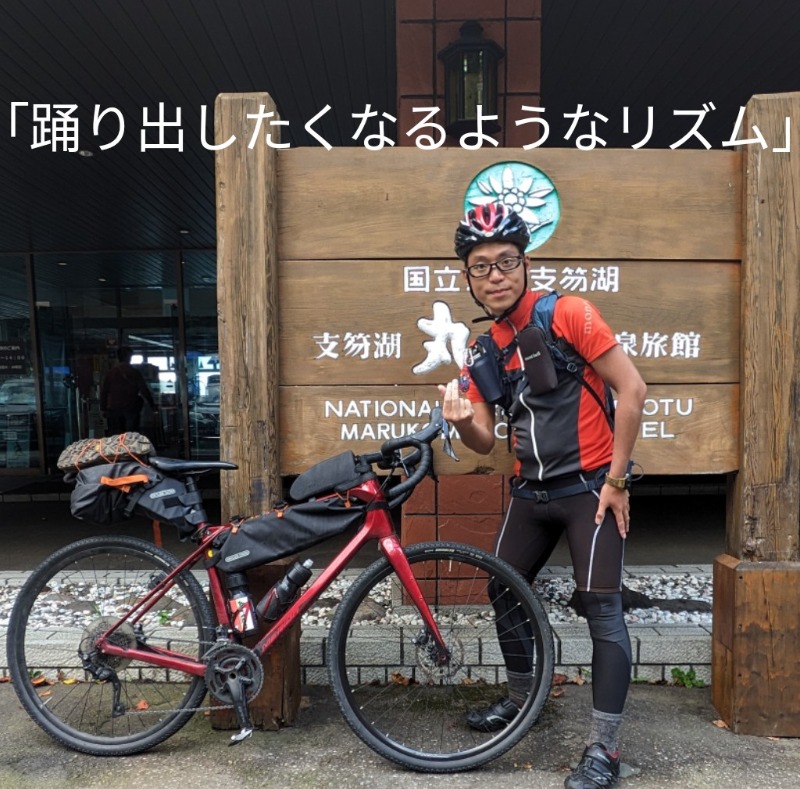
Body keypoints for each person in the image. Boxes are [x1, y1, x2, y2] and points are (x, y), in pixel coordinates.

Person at [438, 202, 647, 789]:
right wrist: (458, 420)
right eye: (481, 267)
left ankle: (602, 750)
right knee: (503, 586)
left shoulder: (569, 313)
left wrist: (618, 479)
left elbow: (632, 390)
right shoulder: (483, 351)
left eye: (506, 261)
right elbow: (482, 441)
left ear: (525, 264)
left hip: (590, 488)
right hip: (531, 489)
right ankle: (522, 701)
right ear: (469, 279)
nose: (495, 275)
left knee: (601, 608)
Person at [99, 346, 157, 435]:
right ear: (129, 357)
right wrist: (152, 405)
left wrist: (103, 408)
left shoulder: (111, 373)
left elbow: (104, 392)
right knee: (131, 437)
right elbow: (144, 390)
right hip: (131, 408)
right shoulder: (134, 373)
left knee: (117, 437)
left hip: (115, 409)